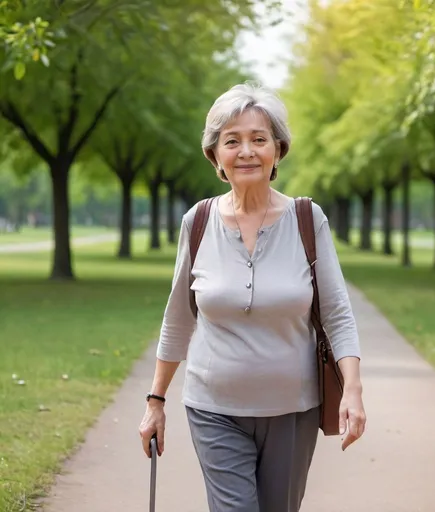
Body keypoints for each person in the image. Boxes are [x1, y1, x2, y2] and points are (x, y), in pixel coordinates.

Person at [139, 83, 366, 512]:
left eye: (259, 139)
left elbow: (337, 313)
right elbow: (177, 319)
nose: (246, 151)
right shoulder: (199, 221)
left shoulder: (306, 218)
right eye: (233, 141)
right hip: (212, 407)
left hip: (293, 409)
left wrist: (352, 390)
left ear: (277, 150)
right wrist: (156, 402)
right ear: (216, 155)